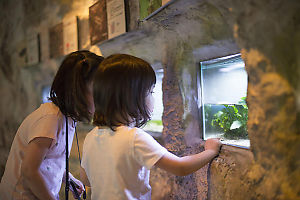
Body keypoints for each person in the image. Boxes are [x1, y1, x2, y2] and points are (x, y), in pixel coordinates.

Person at [79, 54, 222, 200]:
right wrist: (210, 151)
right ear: (132, 96)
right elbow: (180, 167)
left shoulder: (91, 136)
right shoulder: (134, 137)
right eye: (151, 92)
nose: (153, 97)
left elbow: (86, 179)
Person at [0, 50, 104, 200]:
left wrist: (68, 178)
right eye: (98, 91)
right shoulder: (50, 119)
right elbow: (29, 170)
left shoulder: (66, 119)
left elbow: (50, 159)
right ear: (76, 91)